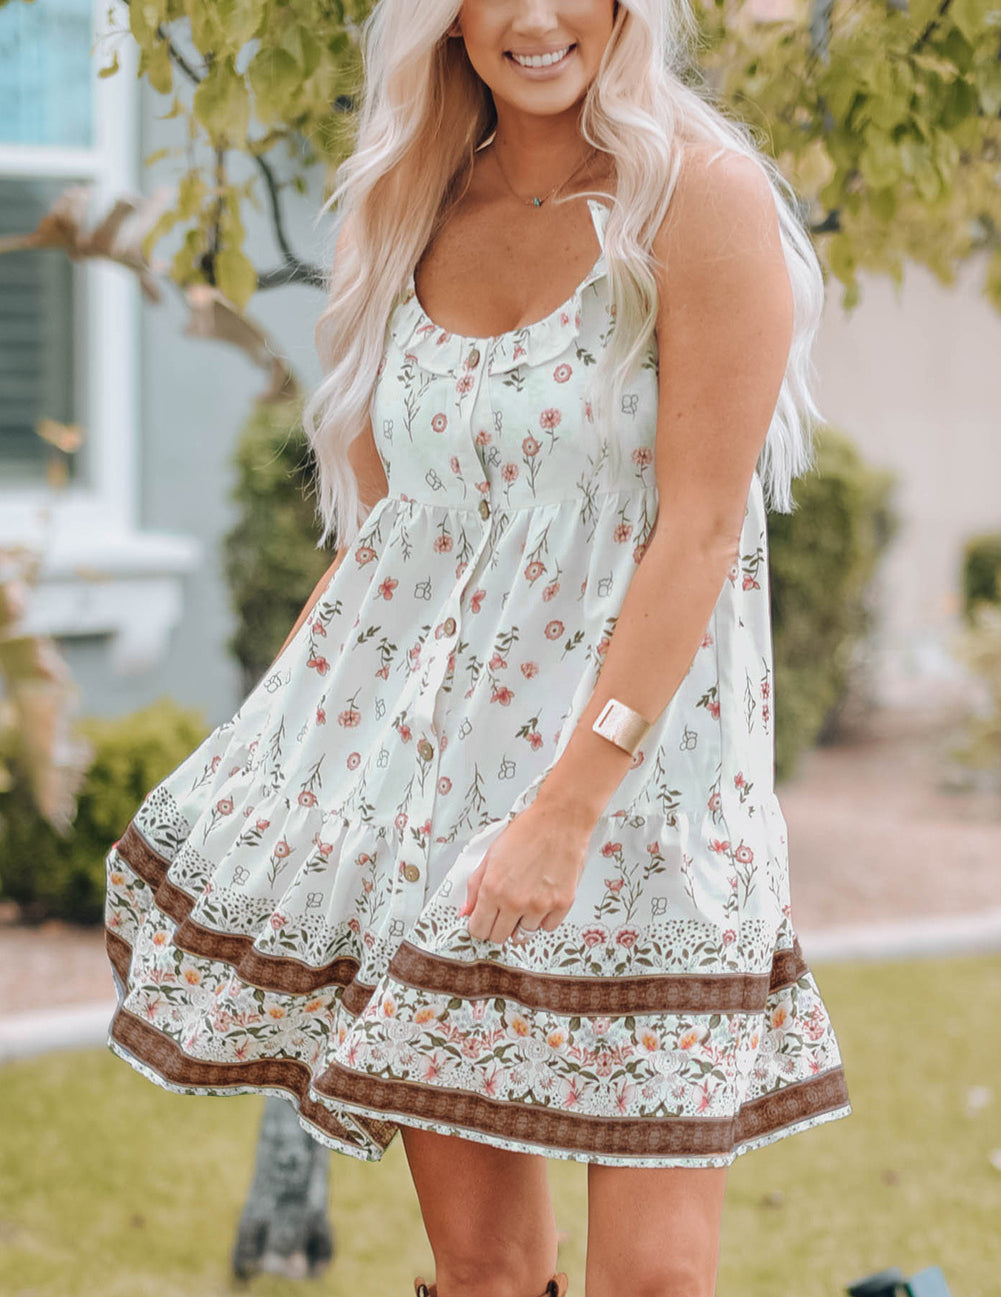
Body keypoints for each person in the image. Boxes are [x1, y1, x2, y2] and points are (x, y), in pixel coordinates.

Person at [104, 2, 853, 1294]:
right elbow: (392, 542)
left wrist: (568, 806)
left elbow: (699, 528)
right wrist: (277, 764)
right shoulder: (399, 208)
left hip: (646, 793)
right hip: (432, 787)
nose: (534, 16)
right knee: (484, 1269)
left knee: (658, 1279)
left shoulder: (697, 199)